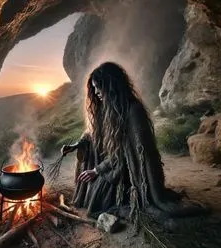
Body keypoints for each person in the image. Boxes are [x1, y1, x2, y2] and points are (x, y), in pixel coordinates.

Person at [61, 62, 206, 219]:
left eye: (98, 87)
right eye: (94, 88)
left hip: (127, 170)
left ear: (111, 86)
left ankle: (124, 193)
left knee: (98, 200)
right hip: (112, 163)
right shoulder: (105, 108)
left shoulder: (133, 111)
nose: (95, 93)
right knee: (93, 186)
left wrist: (97, 170)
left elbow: (127, 154)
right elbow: (92, 133)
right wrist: (77, 145)